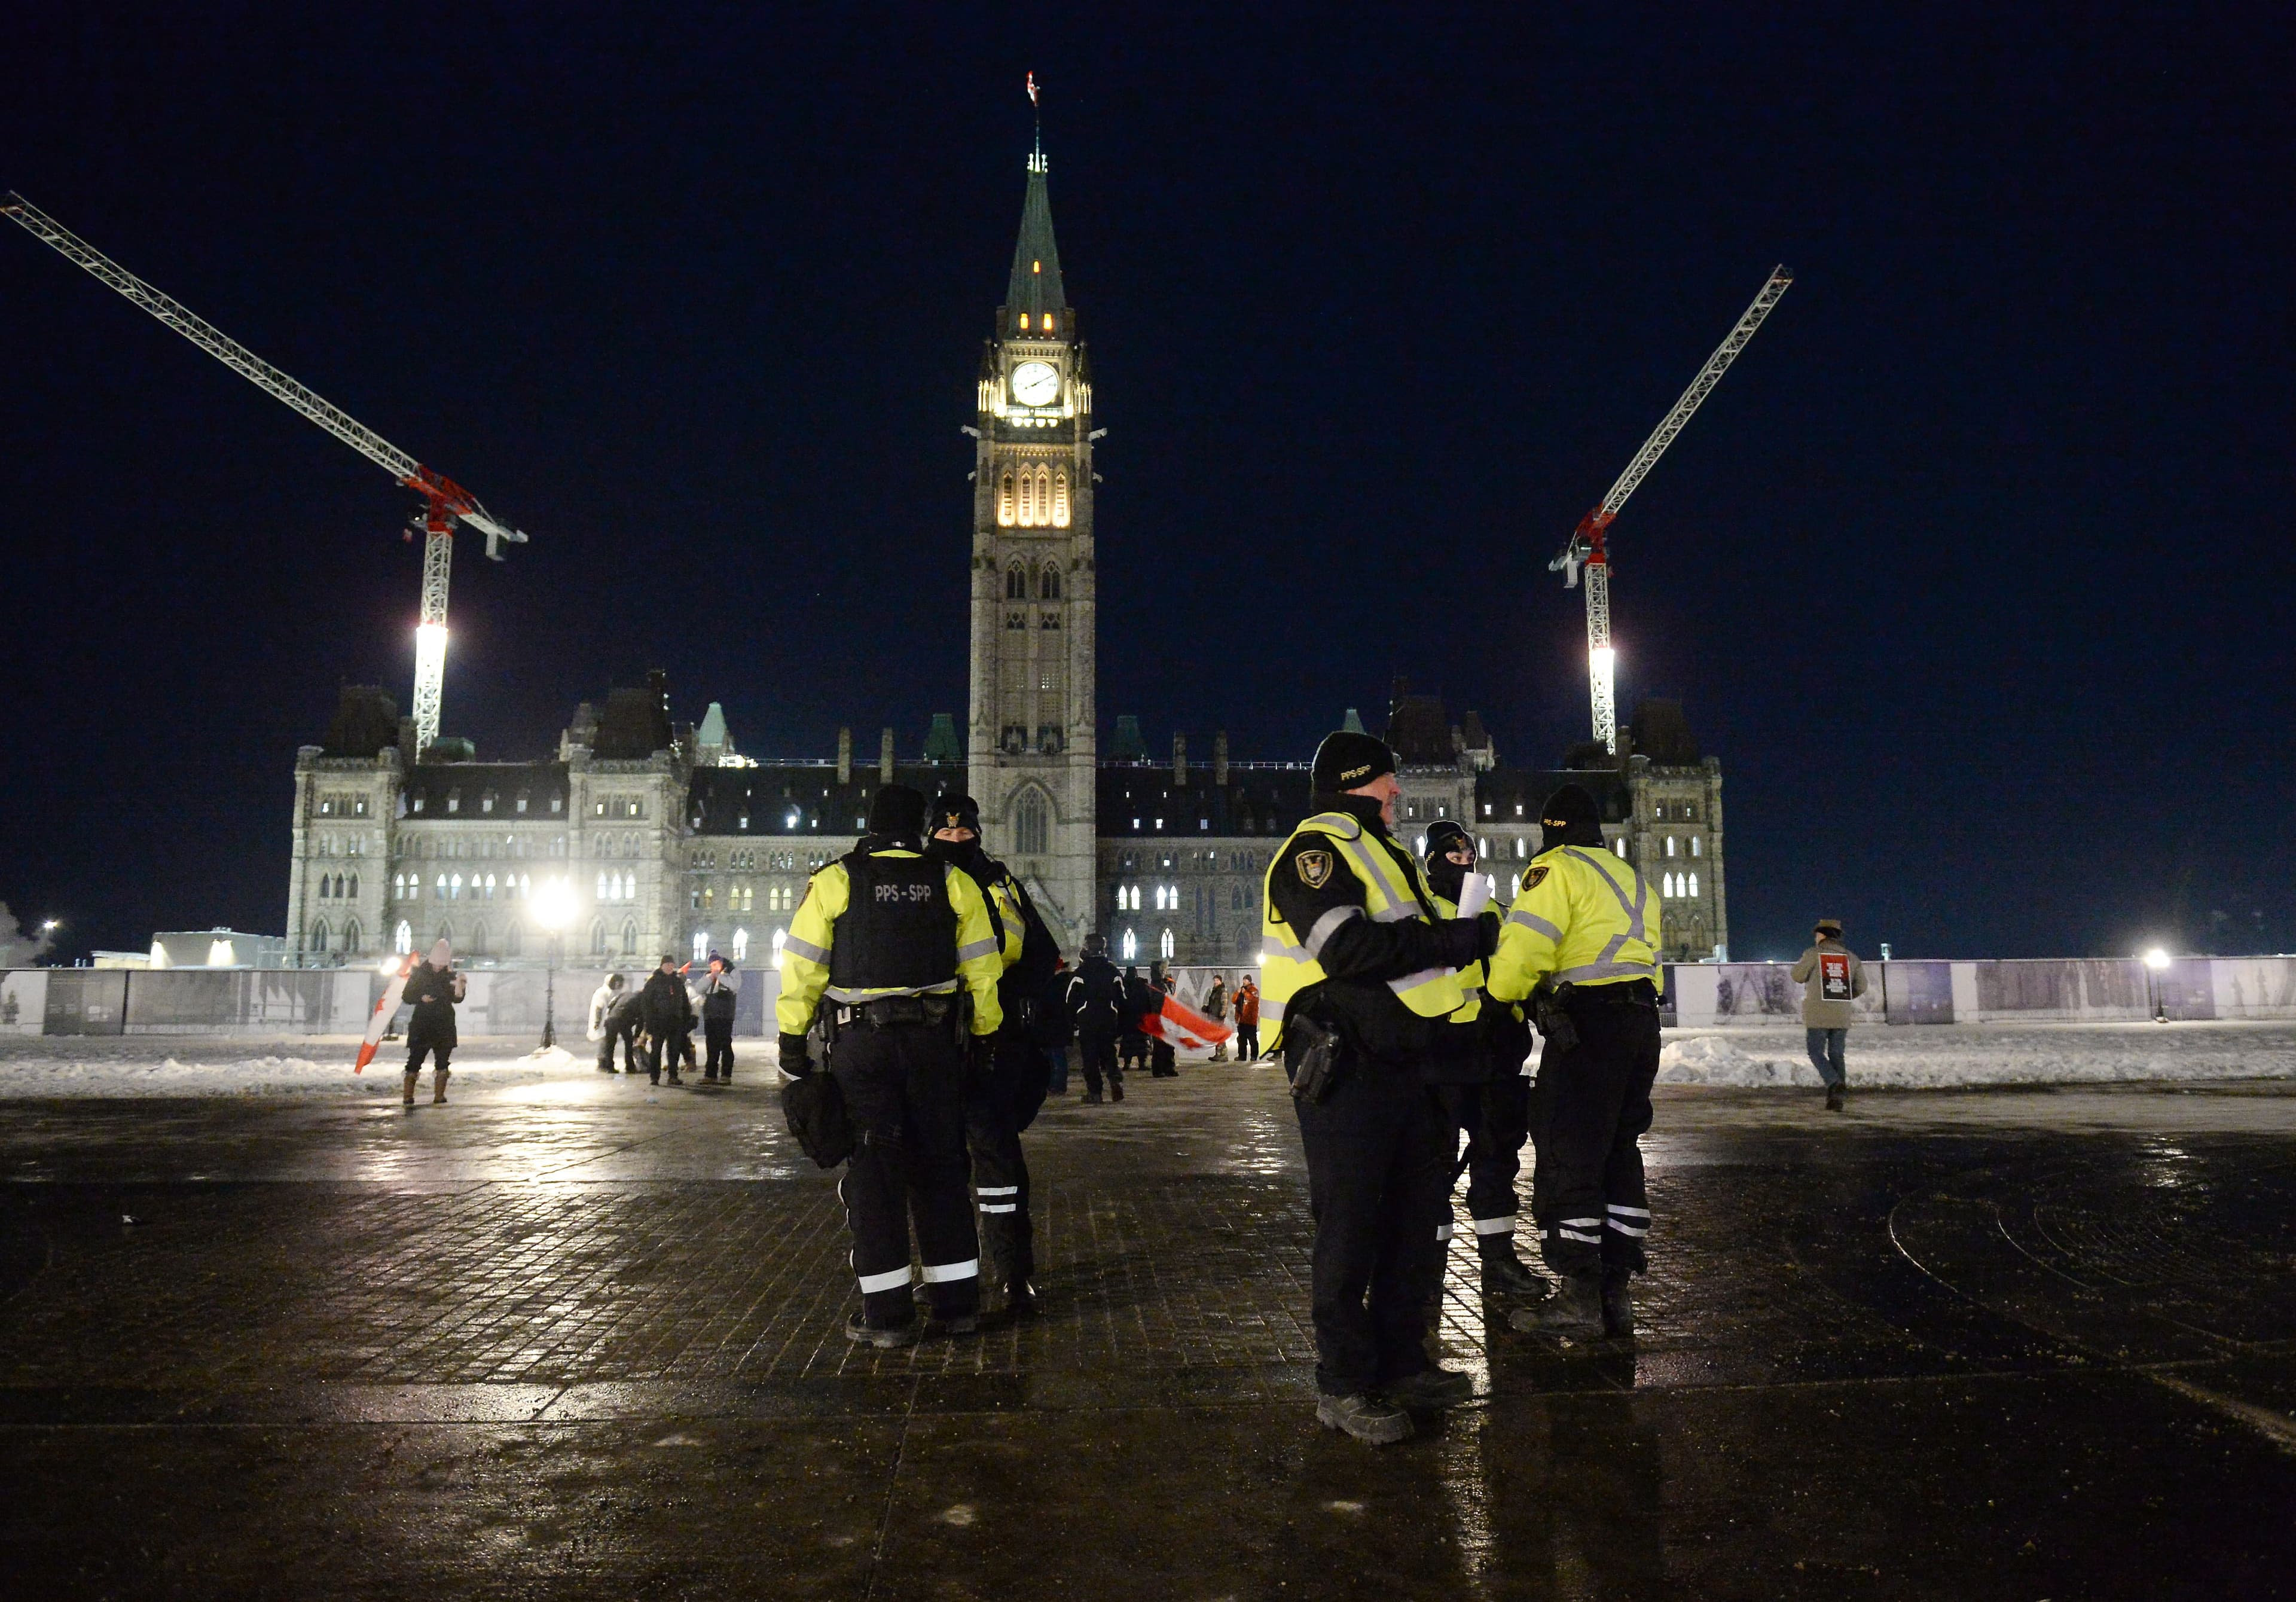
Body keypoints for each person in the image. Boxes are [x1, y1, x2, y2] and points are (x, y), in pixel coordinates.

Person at [1261, 730, 1493, 1445]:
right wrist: (1451, 941)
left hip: (1408, 1065)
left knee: (1412, 1227)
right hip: (1346, 1069)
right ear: (1358, 782)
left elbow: (1415, 955)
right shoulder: (1316, 853)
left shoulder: (1386, 853)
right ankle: (1345, 1383)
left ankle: (1401, 1364)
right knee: (1352, 1227)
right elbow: (1346, 948)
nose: (1399, 793)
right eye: (1389, 782)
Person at [777, 784, 1006, 1347]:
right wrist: (985, 1036)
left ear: (872, 826)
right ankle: (956, 1306)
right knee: (942, 1170)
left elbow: (802, 968)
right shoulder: (952, 881)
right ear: (920, 826)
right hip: (934, 1045)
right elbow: (983, 967)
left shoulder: (836, 880)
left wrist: (791, 1043)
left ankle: (887, 1315)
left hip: (863, 1045)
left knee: (875, 1175)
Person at [1486, 784, 1663, 1342]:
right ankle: (1617, 1294)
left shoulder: (1555, 869)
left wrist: (1502, 995)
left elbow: (1526, 946)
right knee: (1619, 1149)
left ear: (1552, 829)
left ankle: (1578, 1296)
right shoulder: (1631, 878)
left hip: (1589, 1026)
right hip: (1641, 1022)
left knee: (1569, 1149)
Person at [928, 791, 1061, 1317]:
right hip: (936, 1039)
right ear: (931, 835)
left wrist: (1010, 998)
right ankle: (949, 1276)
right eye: (946, 833)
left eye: (965, 834)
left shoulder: (1002, 881)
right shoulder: (921, 881)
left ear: (978, 833)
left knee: (998, 1157)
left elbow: (1044, 950)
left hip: (993, 1041)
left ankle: (1012, 1273)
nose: (957, 840)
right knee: (938, 1163)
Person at [1421, 820, 1546, 1300]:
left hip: (1494, 1054)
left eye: (1469, 854)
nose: (1466, 861)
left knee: (1496, 1162)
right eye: (1454, 857)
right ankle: (1426, 1271)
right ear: (1434, 861)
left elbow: (1521, 967)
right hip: (1442, 1057)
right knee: (1433, 1166)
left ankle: (1499, 1262)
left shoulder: (1496, 908)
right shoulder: (1423, 909)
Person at [1791, 919, 1866, 1111]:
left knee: (1816, 1052)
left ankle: (1834, 1082)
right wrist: (1846, 995)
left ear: (1823, 935)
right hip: (1842, 1014)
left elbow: (1798, 976)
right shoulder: (1852, 958)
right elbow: (1862, 986)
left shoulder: (1813, 954)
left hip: (1818, 1014)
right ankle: (1836, 1100)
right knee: (1836, 1054)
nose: (1816, 938)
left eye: (1817, 935)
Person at [401, 944, 466, 1106]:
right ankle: (408, 1096)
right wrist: (421, 997)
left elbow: (457, 999)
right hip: (422, 1023)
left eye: (442, 964)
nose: (438, 967)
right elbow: (407, 996)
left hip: (444, 1024)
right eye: (436, 963)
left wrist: (461, 988)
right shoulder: (419, 974)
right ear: (430, 960)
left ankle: (439, 1096)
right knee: (415, 1060)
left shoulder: (452, 976)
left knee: (443, 1062)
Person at [1068, 934, 1126, 1104]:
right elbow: (1122, 998)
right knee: (1109, 1053)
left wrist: (1074, 1019)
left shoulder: (1081, 973)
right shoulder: (1113, 971)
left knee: (1090, 1057)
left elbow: (1070, 1000)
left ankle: (1095, 1092)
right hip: (1108, 1019)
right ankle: (1116, 1083)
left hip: (1087, 1021)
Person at [639, 954, 690, 1087]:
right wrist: (649, 1021)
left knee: (674, 1050)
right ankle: (654, 1077)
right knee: (656, 1050)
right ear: (662, 966)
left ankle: (673, 1076)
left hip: (675, 1021)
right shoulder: (653, 981)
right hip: (658, 1022)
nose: (670, 967)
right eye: (667, 965)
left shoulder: (677, 982)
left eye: (672, 965)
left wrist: (686, 1018)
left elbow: (684, 1001)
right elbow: (646, 1003)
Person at [1036, 959, 1075, 1095]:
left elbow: (1046, 1004)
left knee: (1055, 1056)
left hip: (1053, 1024)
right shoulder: (1067, 982)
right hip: (1062, 1024)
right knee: (1057, 1055)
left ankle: (1057, 1085)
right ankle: (1057, 1084)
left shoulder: (1055, 983)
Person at [698, 954, 740, 1082]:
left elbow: (734, 986)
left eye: (715, 964)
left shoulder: (732, 972)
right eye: (711, 966)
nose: (713, 967)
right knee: (711, 1045)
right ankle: (710, 1074)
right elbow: (699, 988)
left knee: (725, 1044)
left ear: (721, 963)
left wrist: (719, 976)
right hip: (710, 1014)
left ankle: (726, 1074)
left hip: (725, 1014)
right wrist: (710, 977)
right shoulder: (709, 974)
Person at [587, 972, 634, 1073]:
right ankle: (602, 1063)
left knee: (606, 1041)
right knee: (605, 1041)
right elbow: (599, 1008)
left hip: (609, 1020)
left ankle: (605, 1062)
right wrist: (597, 1021)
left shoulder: (613, 992)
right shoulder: (602, 992)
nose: (619, 985)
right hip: (603, 1020)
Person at [1117, 965, 1155, 1079]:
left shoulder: (1123, 985)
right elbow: (1149, 1001)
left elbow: (1120, 1000)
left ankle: (1127, 1064)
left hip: (1127, 1018)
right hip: (1140, 1017)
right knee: (1141, 1042)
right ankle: (1142, 1063)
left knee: (1128, 1042)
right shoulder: (1142, 985)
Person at [1147, 962, 1179, 1077]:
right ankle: (1159, 1068)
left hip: (1167, 1018)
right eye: (1164, 970)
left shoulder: (1163, 984)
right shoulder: (1157, 985)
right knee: (1160, 1045)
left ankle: (1168, 1067)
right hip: (1160, 1018)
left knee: (1168, 1044)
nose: (1166, 972)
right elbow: (1161, 1001)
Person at [1232, 974, 1262, 1062]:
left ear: (1249, 981)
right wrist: (1238, 993)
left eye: (1246, 980)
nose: (1244, 982)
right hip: (1242, 1019)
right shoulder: (1241, 990)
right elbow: (1234, 1001)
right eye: (1244, 980)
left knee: (1253, 1039)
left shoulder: (1254, 990)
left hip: (1250, 1019)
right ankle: (1242, 1056)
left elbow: (1253, 1000)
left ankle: (1254, 1056)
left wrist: (1245, 993)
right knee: (1241, 1039)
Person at [1205, 973, 1230, 1061]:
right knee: (1217, 1035)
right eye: (1215, 980)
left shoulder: (1222, 991)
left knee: (1219, 1035)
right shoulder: (1215, 991)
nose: (1215, 982)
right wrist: (1207, 1009)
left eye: (1217, 980)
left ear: (1221, 981)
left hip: (1218, 1017)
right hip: (1214, 1016)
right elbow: (1213, 1004)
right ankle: (1219, 1053)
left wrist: (1222, 1014)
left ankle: (1222, 1054)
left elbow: (1225, 1003)